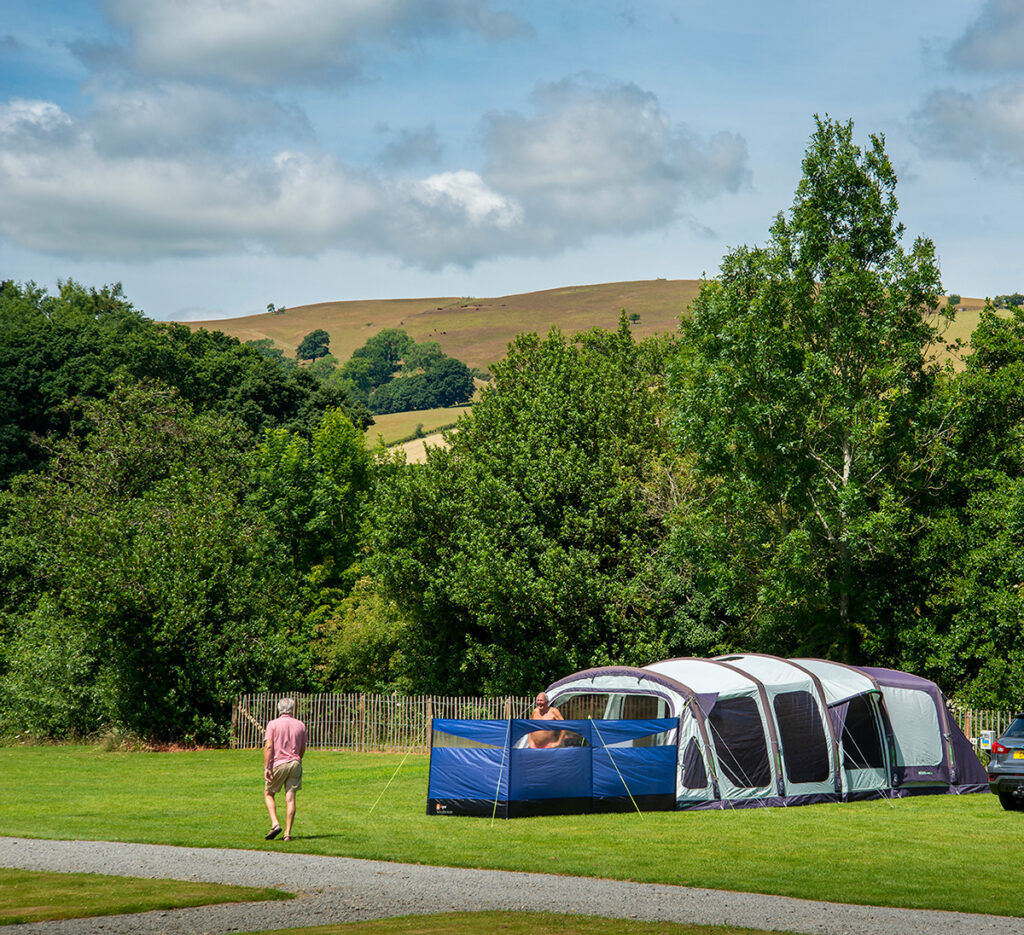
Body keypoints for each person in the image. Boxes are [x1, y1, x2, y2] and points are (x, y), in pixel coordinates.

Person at [263, 697, 307, 841]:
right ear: (292, 709)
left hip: (279, 763)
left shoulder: (273, 724)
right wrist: (297, 758)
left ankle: (275, 823)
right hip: (295, 763)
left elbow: (269, 746)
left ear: (279, 708)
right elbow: (302, 748)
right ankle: (287, 833)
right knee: (290, 797)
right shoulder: (300, 725)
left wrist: (267, 767)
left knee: (269, 793)